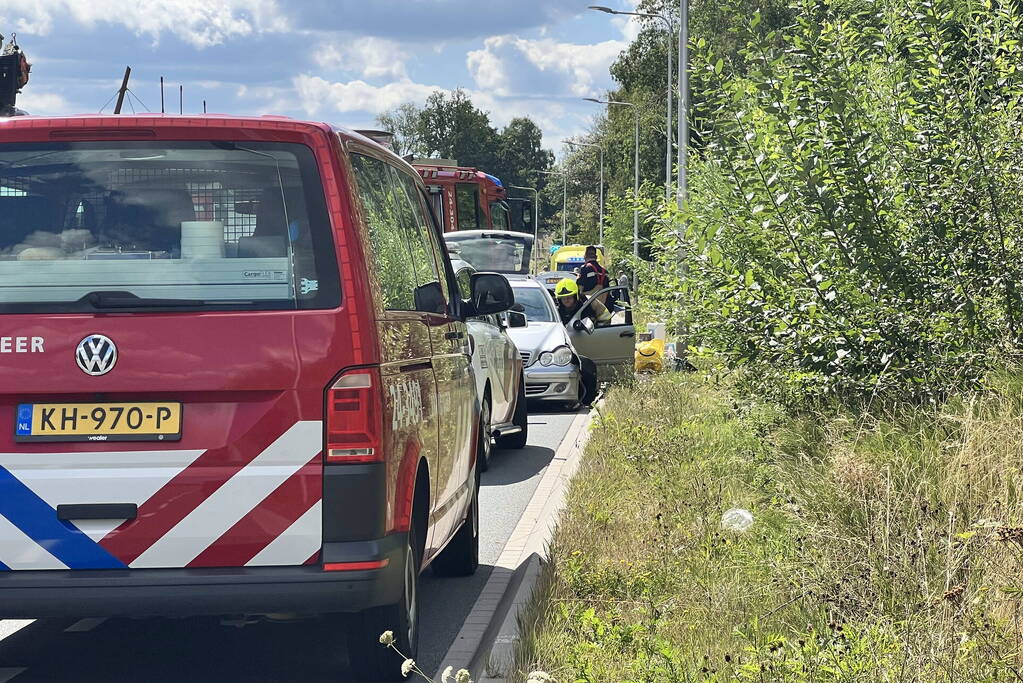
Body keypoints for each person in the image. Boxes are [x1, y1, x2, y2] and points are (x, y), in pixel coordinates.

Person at [553, 278, 605, 407]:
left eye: (569, 297)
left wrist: (598, 329)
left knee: (587, 369)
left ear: (576, 295)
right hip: (562, 348)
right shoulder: (556, 310)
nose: (566, 300)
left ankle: (588, 399)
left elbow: (606, 317)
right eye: (563, 298)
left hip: (587, 343)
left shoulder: (589, 304)